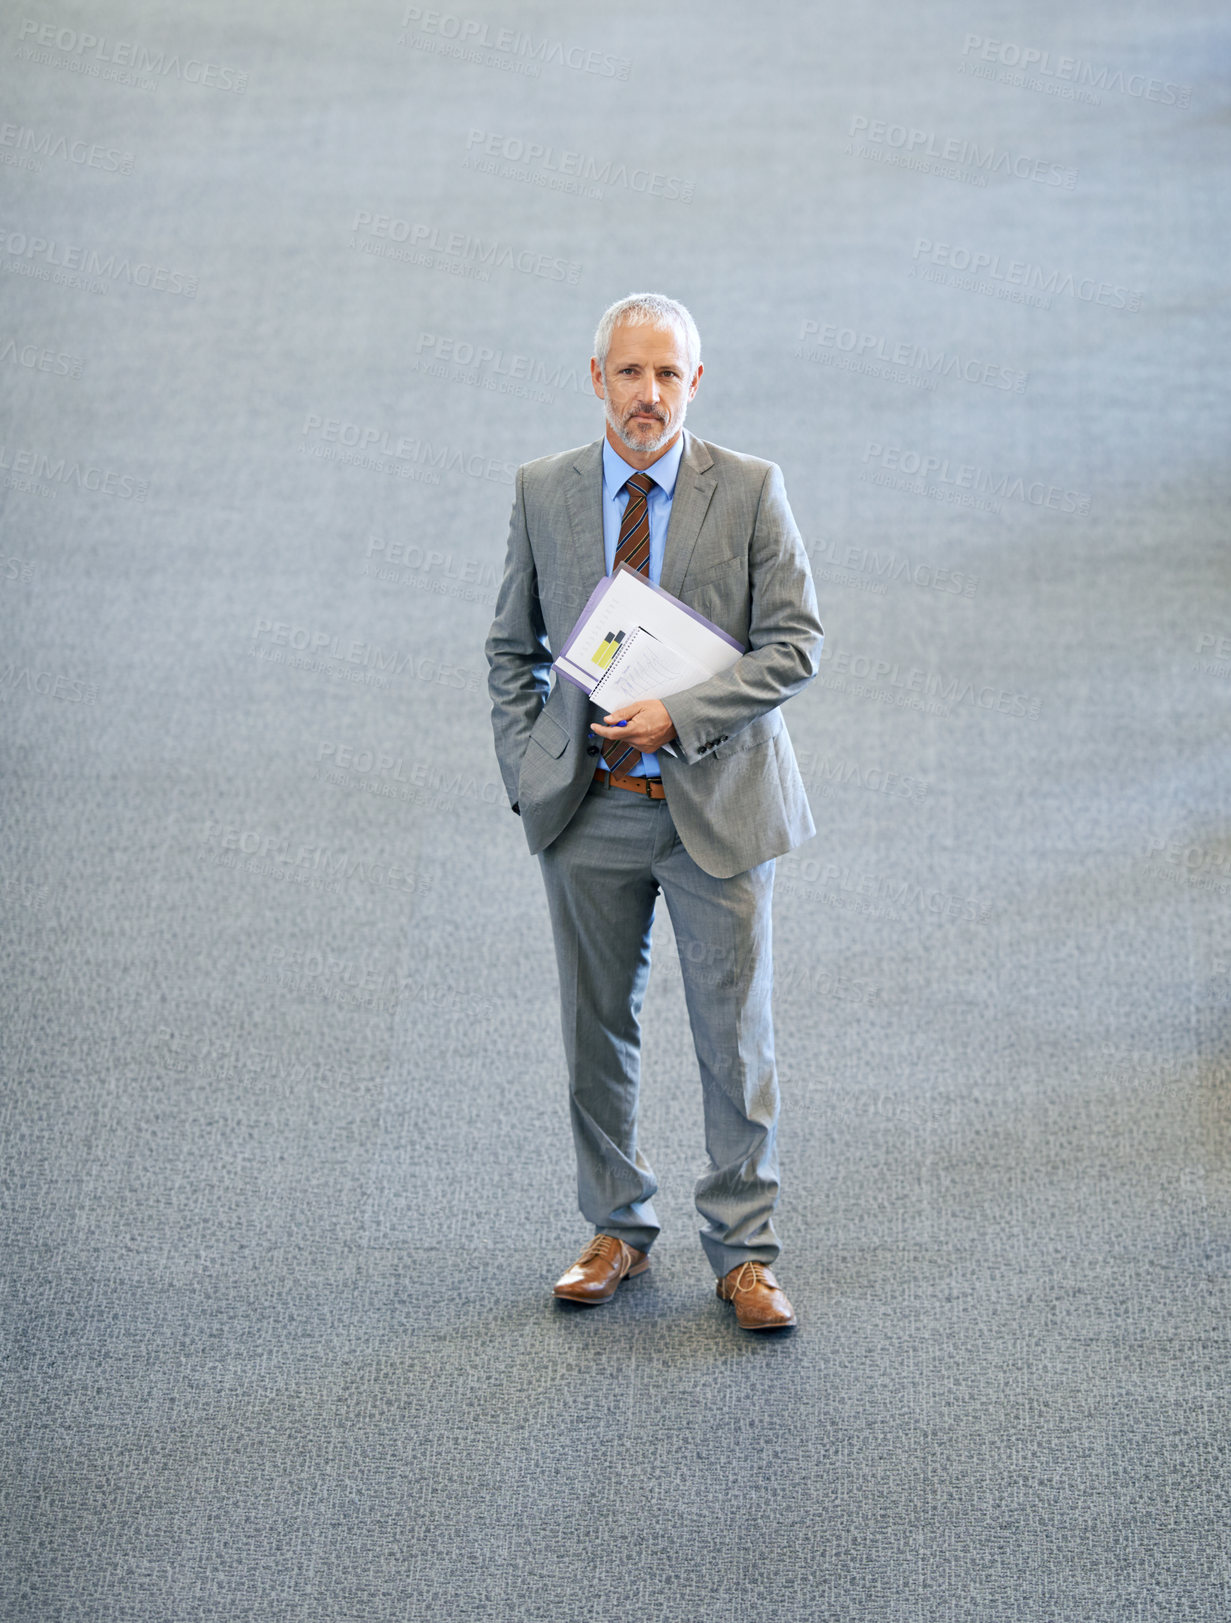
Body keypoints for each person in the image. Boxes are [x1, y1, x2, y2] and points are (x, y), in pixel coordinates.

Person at [485, 292, 823, 1331]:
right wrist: (530, 767)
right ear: (597, 379)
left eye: (667, 375)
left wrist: (676, 714)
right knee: (595, 1032)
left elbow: (794, 645)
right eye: (629, 374)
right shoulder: (544, 491)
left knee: (734, 1041)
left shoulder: (752, 491)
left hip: (714, 807)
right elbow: (510, 648)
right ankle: (615, 1230)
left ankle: (746, 1253)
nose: (648, 395)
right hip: (588, 812)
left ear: (694, 383)